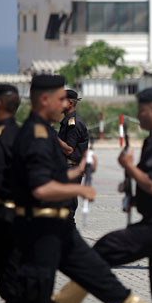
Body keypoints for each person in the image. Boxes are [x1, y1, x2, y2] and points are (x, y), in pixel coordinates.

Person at [4, 77, 152, 303]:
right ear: (45, 100)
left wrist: (77, 173)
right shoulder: (35, 135)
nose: (66, 104)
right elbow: (39, 187)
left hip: (59, 229)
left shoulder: (46, 132)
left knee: (99, 273)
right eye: (60, 99)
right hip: (40, 230)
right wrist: (80, 189)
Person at [0, 85, 22, 303]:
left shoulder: (1, 137)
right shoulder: (24, 135)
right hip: (20, 216)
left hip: (3, 218)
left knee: (8, 276)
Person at [57, 89, 89, 225]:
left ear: (70, 102)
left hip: (71, 167)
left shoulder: (73, 124)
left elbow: (69, 149)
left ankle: (71, 239)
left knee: (67, 208)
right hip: (67, 167)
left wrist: (52, 137)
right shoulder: (68, 121)